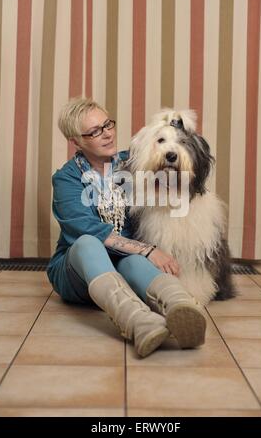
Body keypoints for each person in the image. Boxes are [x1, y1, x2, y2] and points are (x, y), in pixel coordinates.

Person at [47, 97, 207, 358]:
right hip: (77, 271)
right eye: (95, 131)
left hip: (125, 262)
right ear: (76, 141)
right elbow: (84, 227)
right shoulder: (66, 178)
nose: (108, 134)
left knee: (132, 261)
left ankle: (183, 307)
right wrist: (148, 249)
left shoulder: (132, 163)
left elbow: (176, 166)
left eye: (107, 124)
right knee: (88, 242)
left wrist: (178, 136)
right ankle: (139, 323)